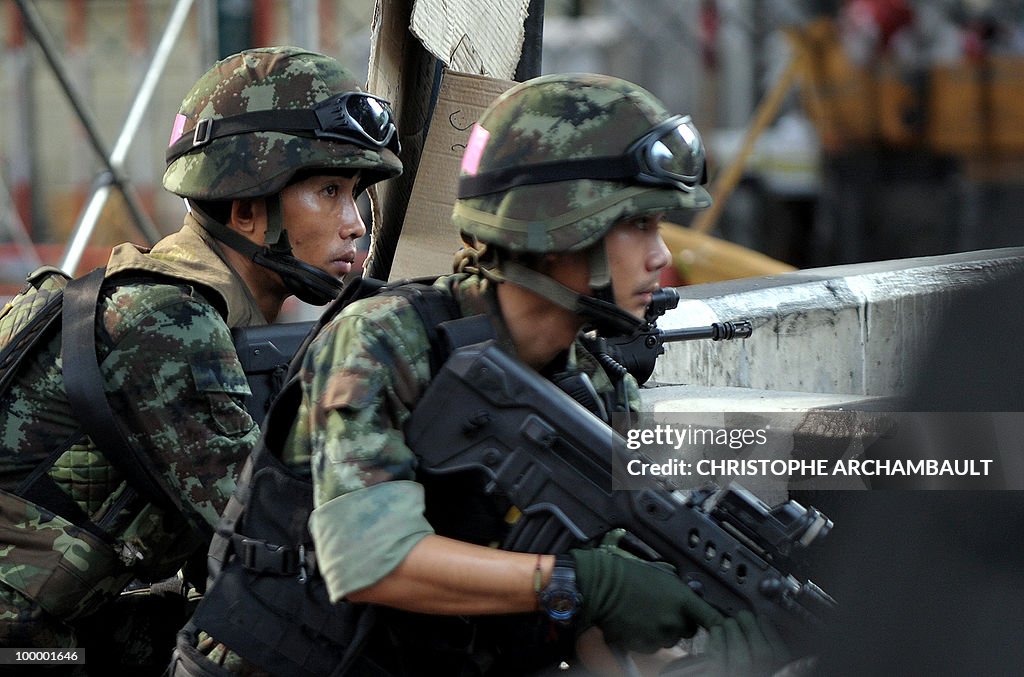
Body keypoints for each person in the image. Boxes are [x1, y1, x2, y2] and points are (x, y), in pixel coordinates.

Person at [175, 73, 790, 677]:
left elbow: (595, 615)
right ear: (556, 227)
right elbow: (367, 558)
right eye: (638, 225)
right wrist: (585, 582)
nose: (662, 256)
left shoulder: (597, 386)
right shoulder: (387, 338)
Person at [0, 45, 401, 673]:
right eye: (329, 190)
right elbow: (277, 533)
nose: (355, 225)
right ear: (247, 207)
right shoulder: (166, 321)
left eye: (355, 195)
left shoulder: (181, 301)